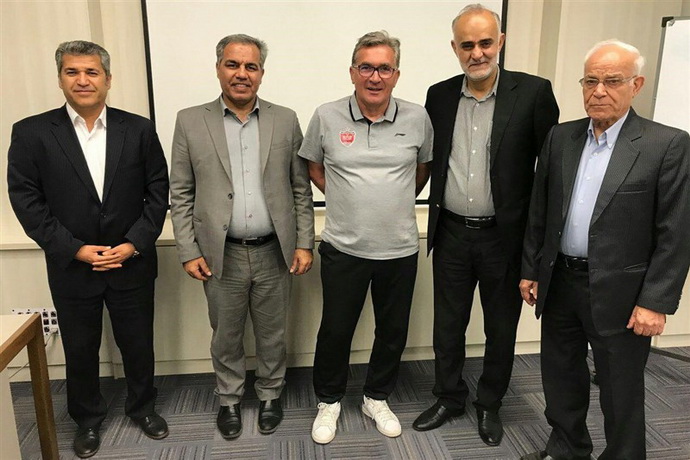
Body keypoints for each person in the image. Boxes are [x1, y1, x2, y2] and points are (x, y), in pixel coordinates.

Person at [520, 40, 690, 459]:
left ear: (636, 85)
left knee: (620, 388)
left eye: (612, 81)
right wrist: (531, 269)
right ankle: (567, 449)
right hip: (560, 283)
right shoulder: (561, 137)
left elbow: (675, 232)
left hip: (623, 295)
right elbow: (541, 211)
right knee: (560, 377)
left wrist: (655, 301)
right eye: (590, 80)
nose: (599, 91)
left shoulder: (666, 144)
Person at [7, 40, 170, 458]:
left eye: (92, 72)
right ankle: (88, 419)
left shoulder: (139, 129)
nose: (83, 80)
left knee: (138, 343)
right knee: (80, 348)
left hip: (131, 261)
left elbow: (158, 192)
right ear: (60, 78)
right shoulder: (31, 132)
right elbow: (26, 200)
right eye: (72, 72)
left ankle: (143, 407)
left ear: (108, 79)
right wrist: (75, 249)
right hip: (72, 265)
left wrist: (133, 243)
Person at [413, 3, 559, 447]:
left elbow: (550, 172)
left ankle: (490, 403)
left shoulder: (533, 93)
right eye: (467, 45)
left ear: (501, 42)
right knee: (447, 326)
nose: (476, 53)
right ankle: (449, 397)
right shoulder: (438, 96)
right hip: (452, 232)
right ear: (454, 48)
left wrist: (538, 247)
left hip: (504, 238)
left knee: (501, 329)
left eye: (485, 43)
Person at [169, 34, 314, 440]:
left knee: (273, 333)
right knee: (226, 334)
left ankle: (270, 395)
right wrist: (188, 250)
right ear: (218, 68)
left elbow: (300, 188)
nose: (241, 74)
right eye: (233, 64)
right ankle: (229, 399)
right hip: (221, 253)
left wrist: (304, 242)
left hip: (274, 251)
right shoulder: (190, 120)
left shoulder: (285, 119)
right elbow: (181, 191)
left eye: (251, 66)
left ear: (262, 73)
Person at [299, 30, 433, 444]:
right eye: (367, 67)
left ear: (396, 75)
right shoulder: (326, 115)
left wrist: (390, 200)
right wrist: (346, 198)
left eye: (384, 69)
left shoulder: (417, 118)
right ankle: (329, 401)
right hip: (344, 247)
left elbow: (422, 170)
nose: (375, 77)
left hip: (400, 248)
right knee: (336, 330)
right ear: (353, 72)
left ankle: (376, 397)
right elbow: (313, 166)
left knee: (392, 332)